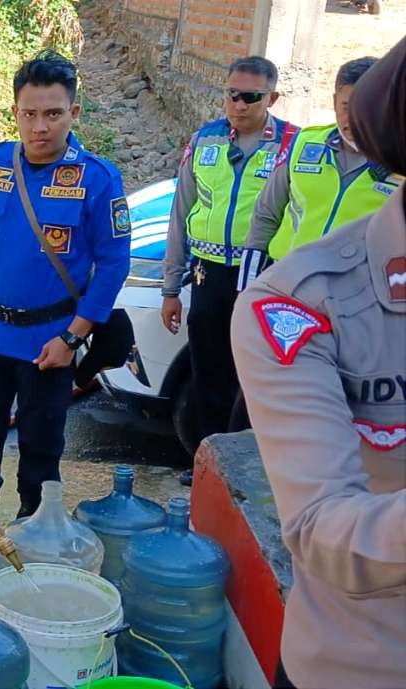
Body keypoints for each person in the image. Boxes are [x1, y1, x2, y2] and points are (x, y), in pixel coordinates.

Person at [231, 36, 405, 689]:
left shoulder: (381, 175)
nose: (344, 115)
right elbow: (264, 218)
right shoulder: (300, 152)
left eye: (250, 95)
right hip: (305, 314)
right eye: (339, 102)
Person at [0, 51, 130, 528]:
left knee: (41, 446)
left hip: (50, 342)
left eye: (53, 113)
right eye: (29, 114)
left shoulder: (97, 179)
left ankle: (35, 527)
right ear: (15, 112)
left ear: (74, 112)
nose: (40, 127)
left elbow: (113, 266)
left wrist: (73, 337)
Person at [160, 56, 297, 482]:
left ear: (271, 98)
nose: (238, 104)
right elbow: (181, 213)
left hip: (263, 275)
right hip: (209, 273)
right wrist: (170, 287)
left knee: (255, 374)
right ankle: (208, 465)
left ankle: (249, 468)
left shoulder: (293, 146)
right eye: (231, 94)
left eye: (250, 97)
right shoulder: (205, 140)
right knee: (208, 368)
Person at [239, 56, 397, 289]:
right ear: (334, 103)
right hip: (286, 280)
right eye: (347, 106)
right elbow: (265, 216)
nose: (355, 118)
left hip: (357, 293)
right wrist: (247, 287)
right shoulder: (304, 143)